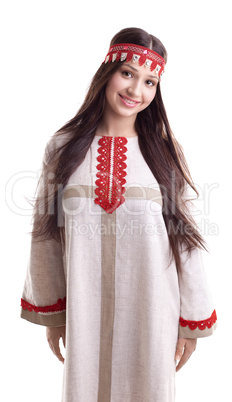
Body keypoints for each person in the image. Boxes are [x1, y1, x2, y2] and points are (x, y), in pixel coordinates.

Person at [20, 27, 217, 402]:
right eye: (127, 73)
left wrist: (191, 321)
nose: (136, 91)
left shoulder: (165, 152)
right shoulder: (63, 149)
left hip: (153, 309)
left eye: (150, 82)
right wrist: (53, 312)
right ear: (106, 71)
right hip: (84, 310)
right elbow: (45, 234)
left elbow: (184, 238)